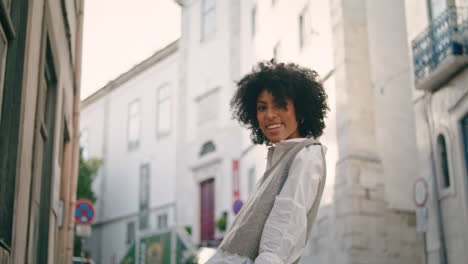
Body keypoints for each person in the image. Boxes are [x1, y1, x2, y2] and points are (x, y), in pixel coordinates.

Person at [207, 60, 329, 264]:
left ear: (300, 110)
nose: (270, 115)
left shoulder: (306, 155)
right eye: (262, 107)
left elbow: (283, 232)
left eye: (280, 104)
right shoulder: (279, 159)